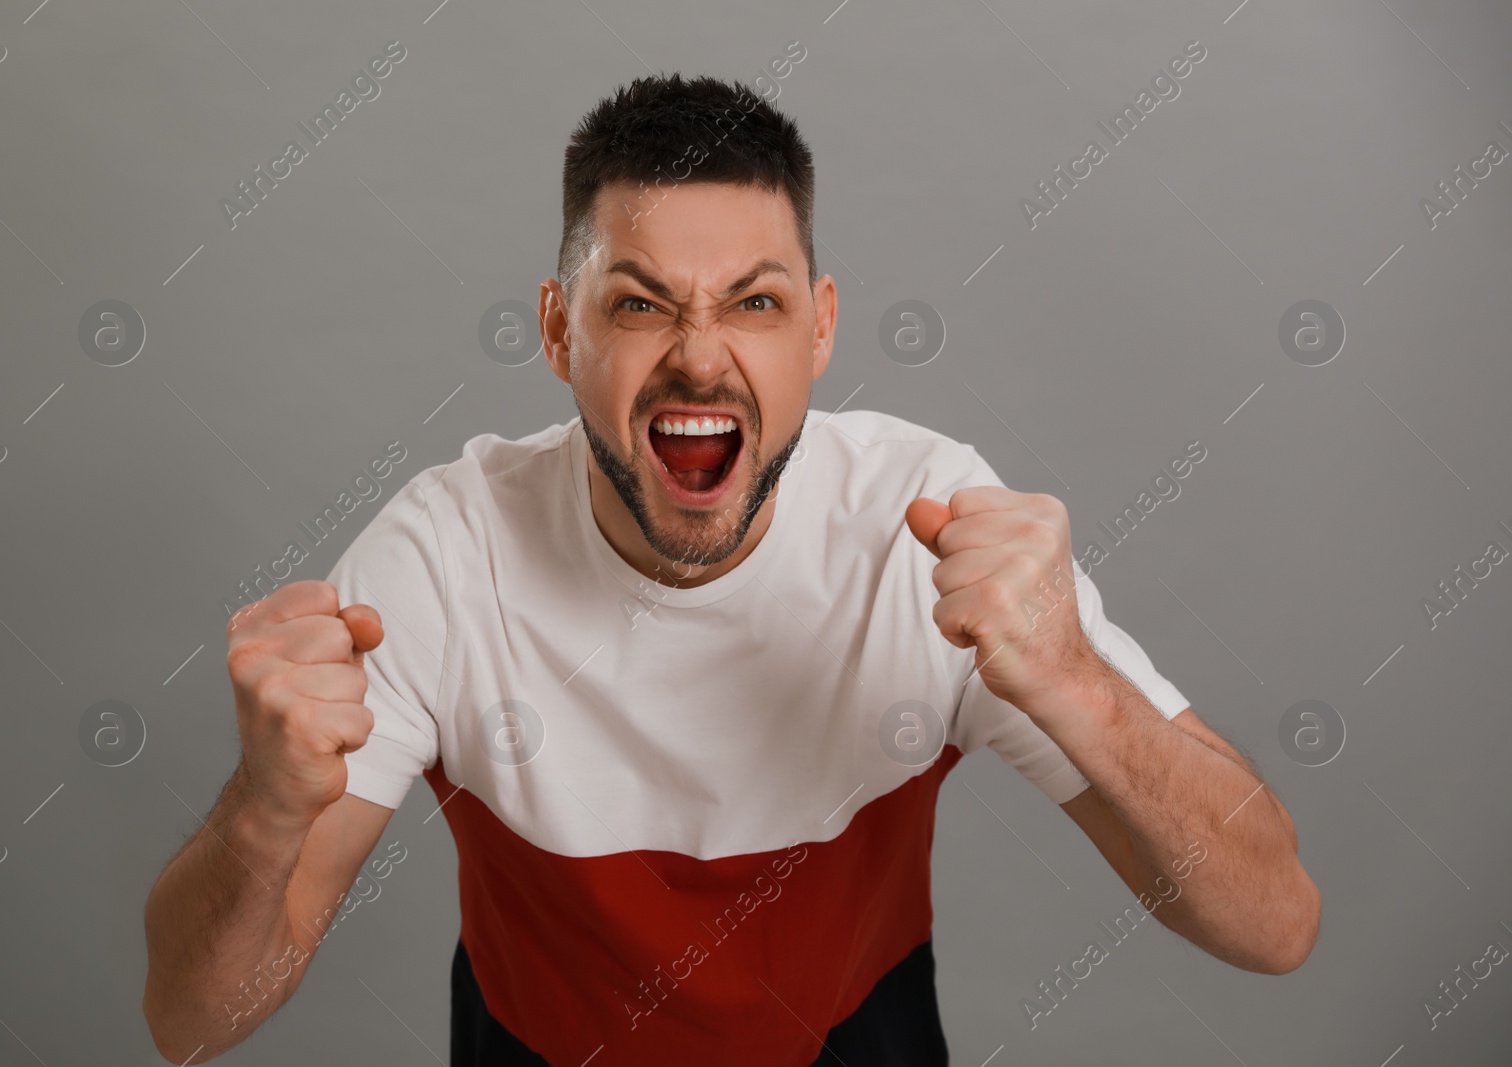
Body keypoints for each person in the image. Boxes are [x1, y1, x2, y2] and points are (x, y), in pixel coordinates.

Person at [142, 73, 1320, 1066]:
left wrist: (1072, 676)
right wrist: (265, 807)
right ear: (559, 333)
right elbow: (193, 1022)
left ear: (817, 329)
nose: (699, 355)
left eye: (753, 302)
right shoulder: (444, 555)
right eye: (640, 303)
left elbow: (1274, 924)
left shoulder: (924, 521)